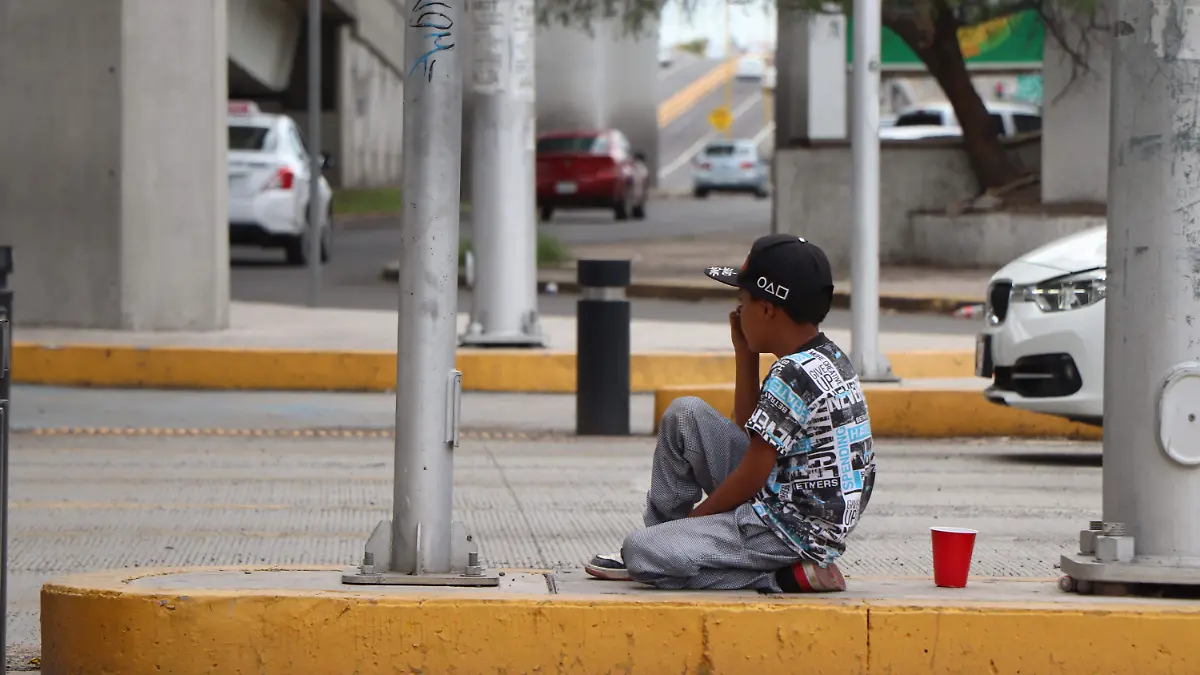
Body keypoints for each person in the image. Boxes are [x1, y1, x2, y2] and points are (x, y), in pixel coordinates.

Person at [584, 233, 875, 593]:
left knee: (639, 553)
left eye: (743, 302)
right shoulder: (825, 357)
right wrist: (745, 352)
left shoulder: (792, 374)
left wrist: (695, 521)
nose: (738, 313)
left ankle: (780, 577)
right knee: (685, 414)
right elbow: (752, 430)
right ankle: (666, 538)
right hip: (789, 503)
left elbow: (751, 475)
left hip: (787, 530)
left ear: (767, 309)